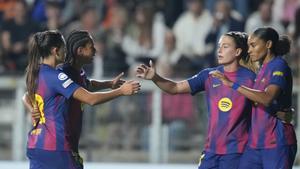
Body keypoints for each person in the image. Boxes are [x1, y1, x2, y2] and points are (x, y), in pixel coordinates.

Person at [136, 31, 255, 169]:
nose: (220, 50)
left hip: (237, 152)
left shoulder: (250, 79)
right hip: (211, 151)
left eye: (226, 46)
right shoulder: (209, 75)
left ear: (237, 51)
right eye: (219, 46)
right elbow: (175, 88)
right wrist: (155, 77)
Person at [25, 30, 140, 169]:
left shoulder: (42, 72)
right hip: (56, 147)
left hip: (37, 144)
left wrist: (108, 84)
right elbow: (90, 99)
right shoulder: (60, 74)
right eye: (63, 47)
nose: (66, 51)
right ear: (56, 51)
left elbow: (86, 84)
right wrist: (121, 91)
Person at [212, 27, 297, 169]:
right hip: (255, 144)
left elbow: (267, 98)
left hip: (276, 141)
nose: (249, 50)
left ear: (268, 44)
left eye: (253, 45)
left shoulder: (279, 66)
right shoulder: (260, 68)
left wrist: (232, 84)